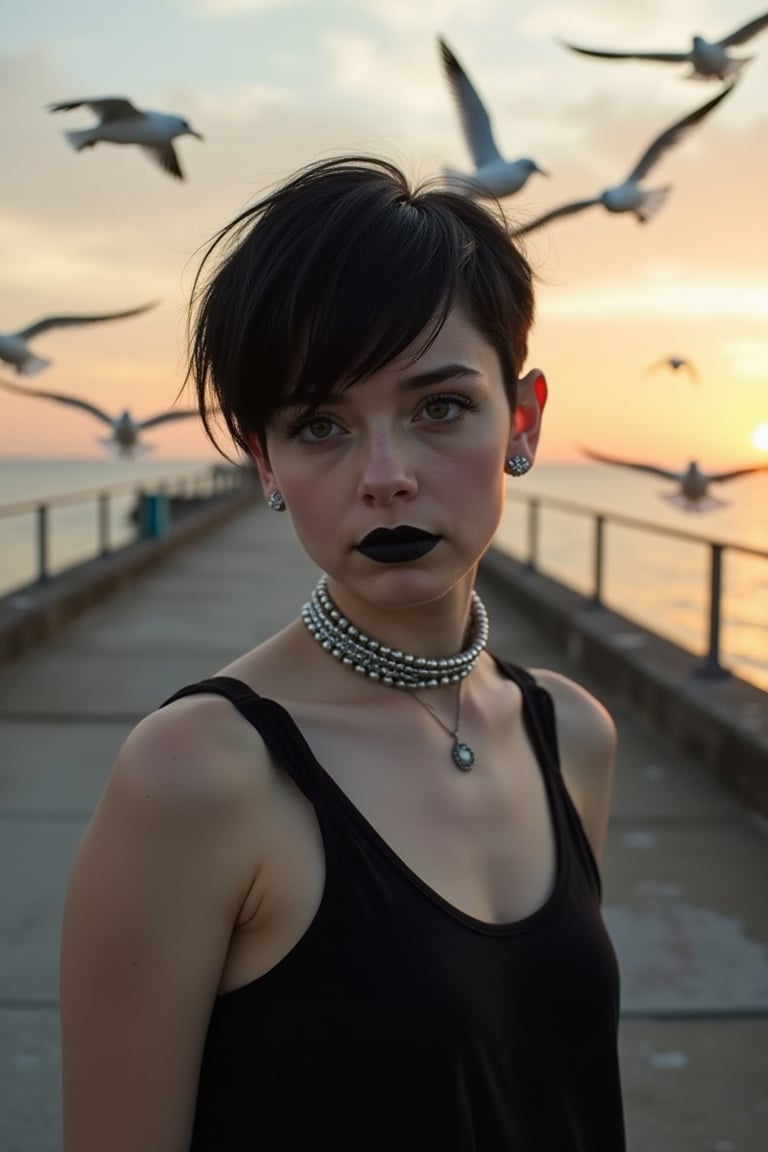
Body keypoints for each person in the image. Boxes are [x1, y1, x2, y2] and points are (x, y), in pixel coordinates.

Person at [60, 155, 625, 1151]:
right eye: (321, 423)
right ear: (265, 461)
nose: (386, 476)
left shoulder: (572, 735)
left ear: (522, 420)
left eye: (439, 407)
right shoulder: (195, 775)